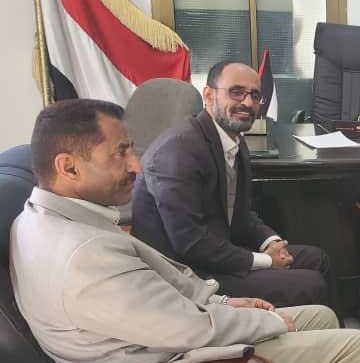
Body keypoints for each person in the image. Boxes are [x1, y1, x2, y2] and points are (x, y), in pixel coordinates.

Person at [10, 99, 360, 363]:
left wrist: (226, 301)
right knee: (357, 351)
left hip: (156, 340)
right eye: (120, 152)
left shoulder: (44, 216)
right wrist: (269, 322)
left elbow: (154, 300)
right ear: (69, 167)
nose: (135, 165)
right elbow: (186, 328)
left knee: (322, 315)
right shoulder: (84, 253)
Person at [131, 61, 330, 307]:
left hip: (216, 252)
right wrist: (267, 261)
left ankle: (341, 331)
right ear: (208, 95)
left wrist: (272, 242)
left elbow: (241, 215)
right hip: (186, 275)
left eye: (255, 95)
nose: (247, 102)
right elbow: (190, 244)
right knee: (311, 283)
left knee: (318, 259)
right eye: (236, 92)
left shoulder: (233, 141)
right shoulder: (179, 149)